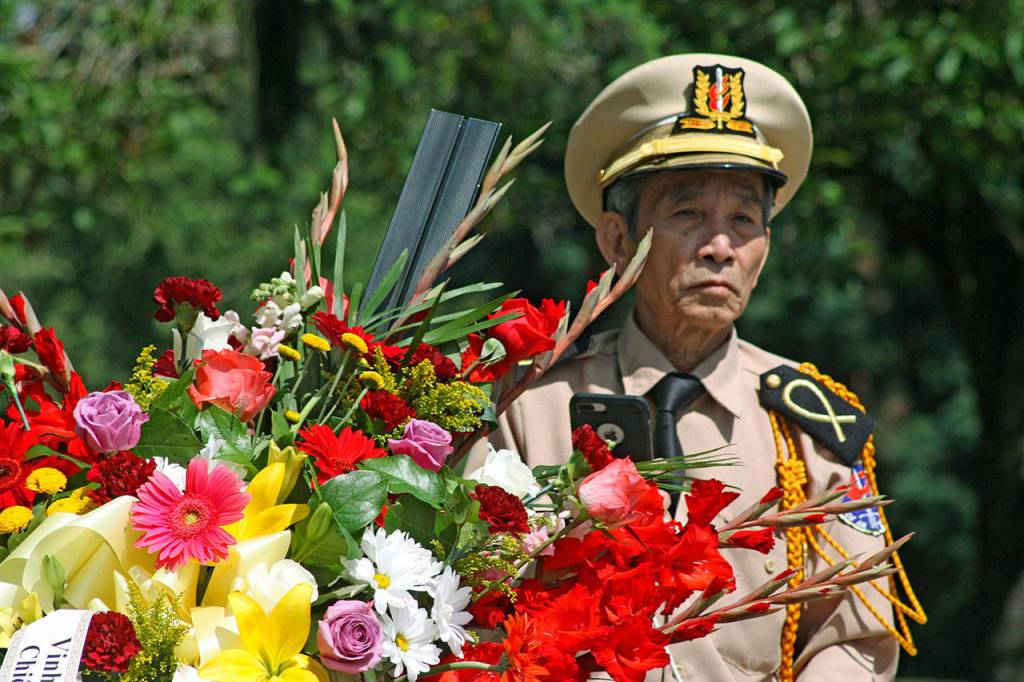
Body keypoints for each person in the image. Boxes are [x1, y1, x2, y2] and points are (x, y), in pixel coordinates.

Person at [469, 54, 924, 680]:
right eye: (688, 214)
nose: (721, 246)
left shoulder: (810, 428)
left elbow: (852, 637)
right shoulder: (529, 404)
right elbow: (478, 612)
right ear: (619, 241)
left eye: (744, 220)